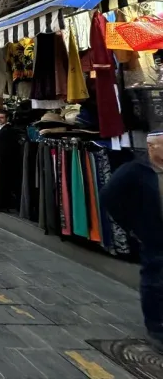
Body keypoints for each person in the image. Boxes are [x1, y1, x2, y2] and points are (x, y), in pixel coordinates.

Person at [101, 132, 163, 351]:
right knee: (155, 279)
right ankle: (156, 327)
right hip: (154, 234)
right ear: (151, 147)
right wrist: (131, 226)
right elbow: (108, 196)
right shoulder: (135, 170)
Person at [0, 108, 21, 212]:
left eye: (1, 118)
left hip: (6, 161)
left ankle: (4, 205)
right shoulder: (2, 129)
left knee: (5, 182)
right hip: (3, 160)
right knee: (3, 182)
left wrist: (0, 157)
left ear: (6, 118)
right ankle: (4, 204)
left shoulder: (8, 130)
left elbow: (8, 147)